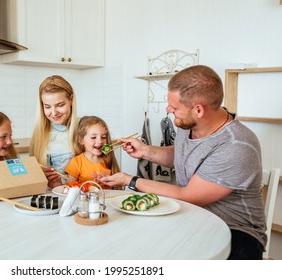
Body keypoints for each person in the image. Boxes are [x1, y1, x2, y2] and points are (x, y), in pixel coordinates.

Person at [98, 65, 266, 260]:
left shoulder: (237, 145)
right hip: (191, 217)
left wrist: (130, 180)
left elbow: (188, 196)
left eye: (174, 107)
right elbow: (182, 156)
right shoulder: (188, 125)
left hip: (235, 231)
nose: (168, 110)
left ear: (198, 110)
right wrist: (145, 151)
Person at [29, 75, 78, 188]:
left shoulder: (86, 129)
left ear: (71, 100)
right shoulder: (40, 135)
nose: (54, 112)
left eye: (60, 105)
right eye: (47, 107)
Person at [65, 116, 120, 189]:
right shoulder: (76, 162)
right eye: (93, 137)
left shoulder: (108, 159)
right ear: (81, 139)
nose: (100, 141)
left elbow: (117, 187)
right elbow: (69, 189)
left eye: (103, 137)